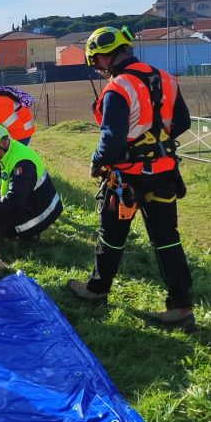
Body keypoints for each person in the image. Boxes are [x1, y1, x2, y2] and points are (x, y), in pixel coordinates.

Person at [66, 26, 195, 329]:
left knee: (111, 238)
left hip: (126, 179)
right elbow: (183, 121)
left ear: (105, 56)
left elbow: (111, 142)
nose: (98, 68)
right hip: (163, 172)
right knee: (167, 241)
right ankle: (182, 308)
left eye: (96, 61)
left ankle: (97, 291)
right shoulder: (166, 79)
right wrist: (156, 143)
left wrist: (97, 163)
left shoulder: (118, 88)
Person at [0, 123, 63, 239]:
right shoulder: (0, 154)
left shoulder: (23, 163)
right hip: (21, 200)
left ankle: (31, 233)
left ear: (2, 143)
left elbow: (16, 198)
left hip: (38, 211)